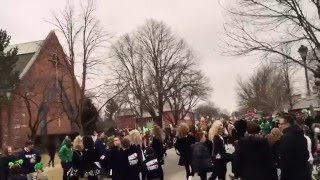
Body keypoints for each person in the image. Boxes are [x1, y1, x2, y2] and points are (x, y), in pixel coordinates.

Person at [279, 114, 310, 180]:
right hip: (304, 171)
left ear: (287, 124)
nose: (279, 126)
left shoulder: (286, 138)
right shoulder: (301, 135)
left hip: (291, 173)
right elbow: (306, 155)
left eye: (281, 124)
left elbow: (286, 156)